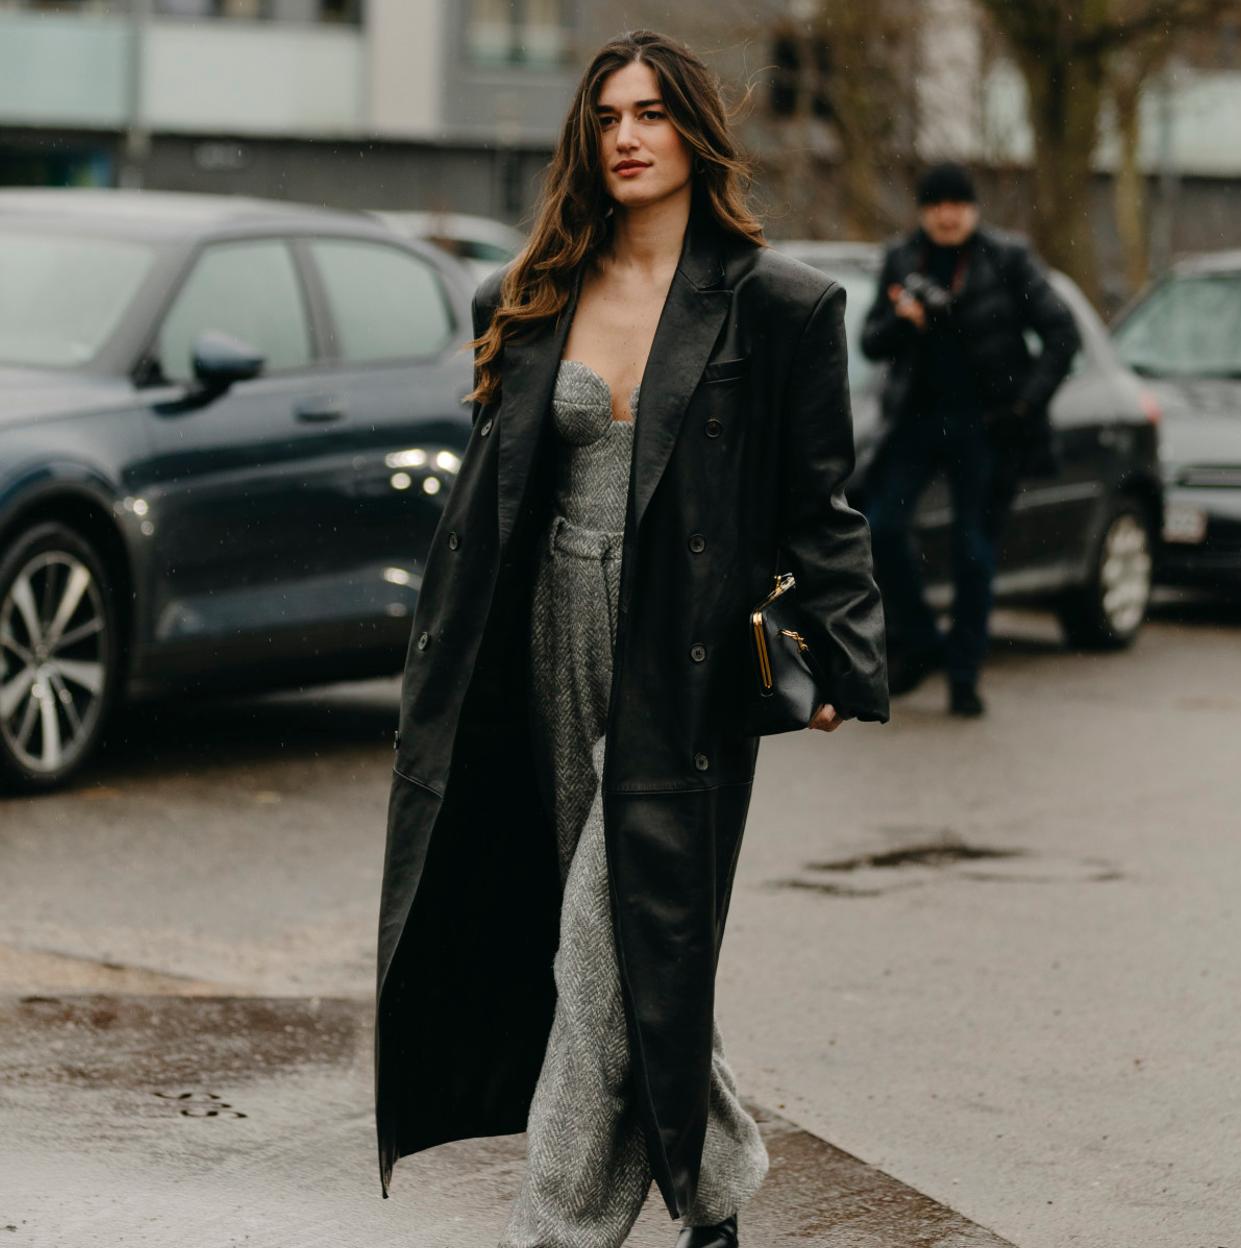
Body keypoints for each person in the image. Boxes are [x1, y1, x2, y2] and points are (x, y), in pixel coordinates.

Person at [374, 29, 889, 1248]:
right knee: (627, 927)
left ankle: (553, 1230)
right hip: (547, 632)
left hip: (686, 658)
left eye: (652, 112)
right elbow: (492, 496)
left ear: (692, 131)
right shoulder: (532, 292)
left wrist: (842, 653)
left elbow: (822, 503)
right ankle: (715, 1198)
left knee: (604, 935)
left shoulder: (778, 306)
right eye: (607, 116)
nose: (627, 136)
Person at [860, 161, 1080, 717]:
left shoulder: (1007, 259)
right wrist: (903, 321)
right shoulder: (901, 258)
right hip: (915, 420)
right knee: (881, 527)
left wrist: (1026, 403)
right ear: (922, 211)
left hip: (986, 425)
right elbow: (869, 343)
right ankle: (922, 640)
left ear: (974, 209)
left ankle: (964, 677)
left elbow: (1062, 332)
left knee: (972, 551)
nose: (947, 214)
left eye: (957, 203)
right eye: (935, 204)